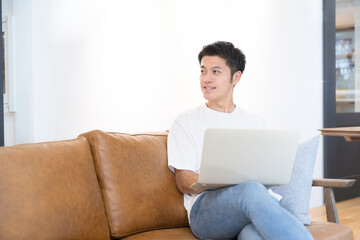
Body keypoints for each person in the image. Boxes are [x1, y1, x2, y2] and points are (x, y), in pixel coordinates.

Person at [167, 41, 313, 240]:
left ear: (236, 77)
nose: (206, 78)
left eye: (215, 71)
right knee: (251, 189)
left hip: (249, 209)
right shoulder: (185, 121)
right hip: (204, 212)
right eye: (203, 71)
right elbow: (184, 182)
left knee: (252, 235)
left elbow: (266, 174)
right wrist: (228, 180)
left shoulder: (254, 122)